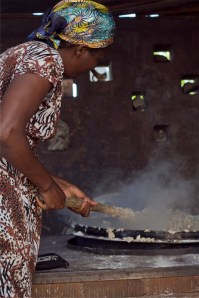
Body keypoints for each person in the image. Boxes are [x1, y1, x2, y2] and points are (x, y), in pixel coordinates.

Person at [0, 0, 115, 297]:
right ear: (79, 50)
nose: (96, 65)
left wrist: (57, 184)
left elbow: (12, 146)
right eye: (97, 56)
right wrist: (46, 187)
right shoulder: (45, 61)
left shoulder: (24, 54)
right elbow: (7, 132)